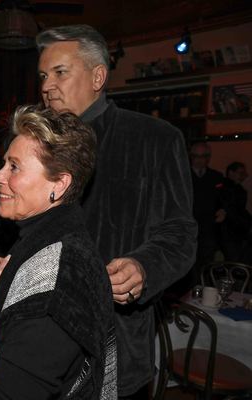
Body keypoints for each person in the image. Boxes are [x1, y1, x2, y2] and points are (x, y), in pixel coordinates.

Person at [26, 25, 196, 398]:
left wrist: (142, 266)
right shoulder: (35, 144)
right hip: (36, 340)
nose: (46, 86)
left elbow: (179, 234)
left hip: (112, 343)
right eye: (42, 75)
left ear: (98, 76)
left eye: (60, 72)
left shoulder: (154, 139)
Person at [0, 105, 117, 399]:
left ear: (59, 183)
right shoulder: (45, 237)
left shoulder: (56, 274)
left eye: (14, 167)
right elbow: (27, 335)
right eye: (4, 163)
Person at [188, 142, 225, 283]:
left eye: (203, 156)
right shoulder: (183, 175)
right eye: (195, 156)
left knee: (206, 264)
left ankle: (203, 292)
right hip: (188, 227)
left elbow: (222, 198)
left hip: (208, 227)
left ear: (208, 158)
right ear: (191, 157)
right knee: (188, 264)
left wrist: (223, 210)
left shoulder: (216, 176)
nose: (199, 159)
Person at [219, 162, 251, 262]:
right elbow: (232, 210)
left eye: (244, 173)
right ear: (231, 173)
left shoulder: (238, 189)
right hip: (230, 232)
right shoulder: (226, 188)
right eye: (240, 173)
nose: (244, 176)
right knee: (235, 261)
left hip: (234, 232)